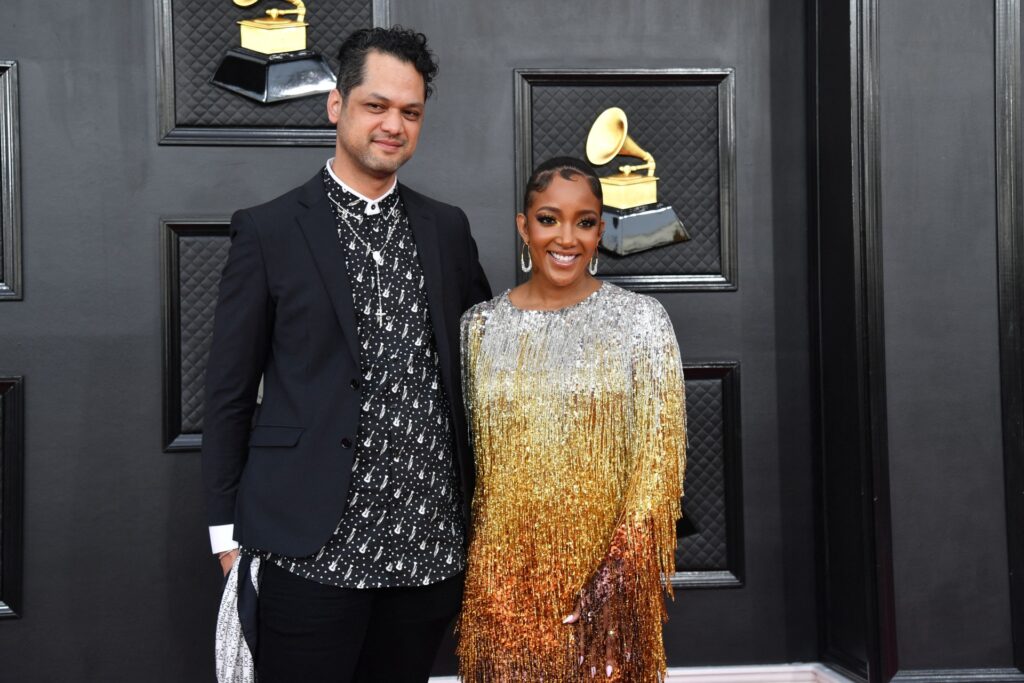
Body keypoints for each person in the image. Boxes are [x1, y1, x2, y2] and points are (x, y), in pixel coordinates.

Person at [202, 26, 491, 683]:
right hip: (309, 549)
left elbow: (479, 371)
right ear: (337, 105)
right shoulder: (270, 229)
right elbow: (227, 393)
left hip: (426, 547)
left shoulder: (447, 228)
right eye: (376, 105)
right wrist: (224, 535)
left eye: (410, 112)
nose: (393, 125)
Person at [456, 157, 686, 682]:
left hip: (606, 585)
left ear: (600, 231)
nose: (566, 238)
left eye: (584, 222)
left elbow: (658, 466)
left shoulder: (642, 322)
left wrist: (618, 576)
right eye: (548, 219)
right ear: (524, 227)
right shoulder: (478, 329)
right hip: (499, 590)